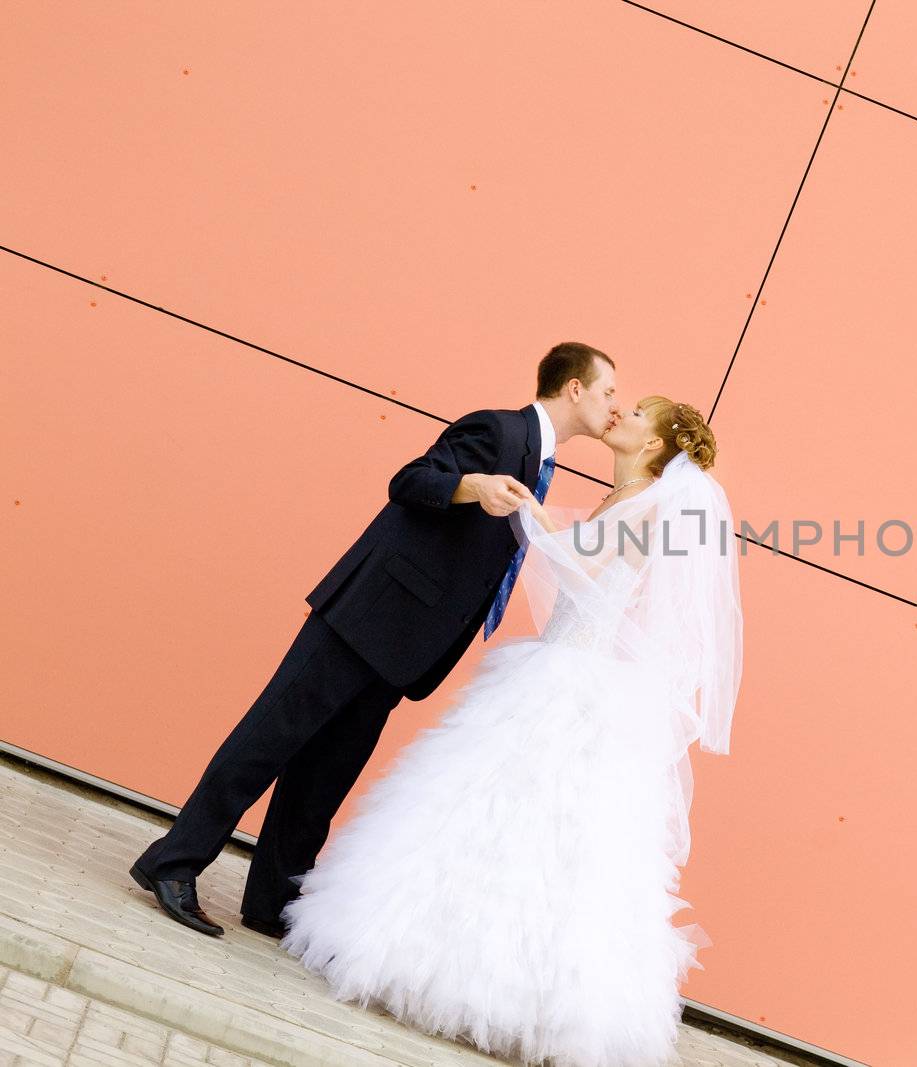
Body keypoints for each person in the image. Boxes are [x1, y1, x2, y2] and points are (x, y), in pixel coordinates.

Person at [278, 397, 742, 1067]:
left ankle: (519, 996)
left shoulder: (649, 506)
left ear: (660, 442)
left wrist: (534, 519)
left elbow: (586, 575)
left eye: (639, 413)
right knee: (485, 815)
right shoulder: (624, 497)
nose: (624, 415)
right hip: (556, 666)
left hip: (574, 683)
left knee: (543, 832)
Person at [130, 342, 620, 938]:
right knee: (268, 739)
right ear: (574, 389)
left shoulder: (541, 460)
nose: (613, 406)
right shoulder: (499, 430)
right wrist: (473, 487)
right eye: (608, 392)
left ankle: (272, 903)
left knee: (326, 774)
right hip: (362, 618)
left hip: (407, 645)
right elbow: (411, 480)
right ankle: (173, 863)